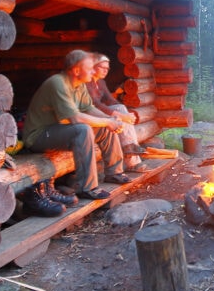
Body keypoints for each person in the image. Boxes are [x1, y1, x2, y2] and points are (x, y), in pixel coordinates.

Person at [22, 49, 132, 211]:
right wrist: (106, 121)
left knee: (104, 128)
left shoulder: (79, 85)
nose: (94, 71)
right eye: (90, 68)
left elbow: (88, 108)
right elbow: (75, 118)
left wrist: (110, 120)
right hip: (38, 136)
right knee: (83, 129)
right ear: (76, 70)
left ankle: (114, 172)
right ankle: (86, 187)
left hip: (59, 131)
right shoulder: (58, 83)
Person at [87, 53, 152, 173]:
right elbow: (95, 105)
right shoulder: (86, 82)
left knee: (120, 107)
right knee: (120, 113)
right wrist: (120, 115)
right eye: (102, 67)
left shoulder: (100, 82)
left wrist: (122, 112)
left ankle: (130, 148)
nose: (105, 71)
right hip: (89, 117)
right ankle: (132, 159)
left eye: (107, 68)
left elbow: (109, 100)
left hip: (100, 115)